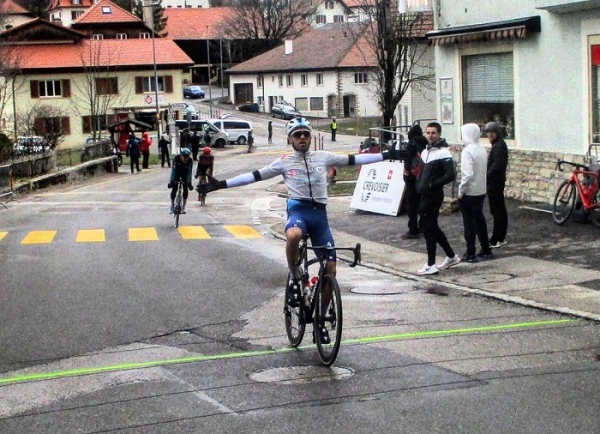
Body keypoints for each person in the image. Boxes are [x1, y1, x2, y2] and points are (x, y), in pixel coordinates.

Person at [197, 117, 397, 320]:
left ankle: (321, 314)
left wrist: (388, 154)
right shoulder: (283, 162)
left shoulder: (323, 157)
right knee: (293, 236)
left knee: (330, 269)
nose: (302, 137)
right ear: (290, 139)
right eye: (297, 134)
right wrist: (221, 184)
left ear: (310, 138)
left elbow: (354, 159)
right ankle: (295, 276)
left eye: (306, 134)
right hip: (298, 210)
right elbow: (255, 176)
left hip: (319, 215)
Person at [416, 122, 460, 275]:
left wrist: (432, 185)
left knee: (429, 228)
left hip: (434, 195)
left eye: (433, 133)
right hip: (424, 194)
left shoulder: (444, 152)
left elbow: (450, 175)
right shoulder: (425, 152)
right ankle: (451, 256)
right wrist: (419, 186)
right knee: (432, 227)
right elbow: (421, 173)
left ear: (439, 134)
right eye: (428, 132)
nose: (430, 135)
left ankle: (431, 264)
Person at [458, 123, 493, 263]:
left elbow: (467, 174)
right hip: (480, 190)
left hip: (470, 191)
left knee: (469, 223)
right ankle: (486, 248)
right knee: (479, 219)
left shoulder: (467, 151)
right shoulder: (482, 149)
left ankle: (470, 252)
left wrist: (461, 191)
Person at [400, 124, 428, 240]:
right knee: (422, 204)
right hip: (422, 177)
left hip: (412, 178)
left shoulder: (411, 144)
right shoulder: (426, 143)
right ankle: (423, 227)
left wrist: (406, 172)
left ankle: (413, 230)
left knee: (412, 204)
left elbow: (407, 160)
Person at [484, 121, 509, 248]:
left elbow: (497, 165)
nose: (490, 135)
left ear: (497, 132)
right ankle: (501, 236)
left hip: (495, 182)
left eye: (492, 132)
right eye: (488, 132)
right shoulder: (499, 144)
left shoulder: (498, 146)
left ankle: (496, 238)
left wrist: (486, 175)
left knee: (497, 210)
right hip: (497, 181)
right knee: (499, 209)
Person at [168, 148, 194, 214]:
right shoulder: (176, 159)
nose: (186, 159)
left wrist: (189, 183)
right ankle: (172, 205)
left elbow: (189, 172)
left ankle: (184, 207)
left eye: (187, 157)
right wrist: (172, 181)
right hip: (177, 173)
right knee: (174, 189)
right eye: (184, 157)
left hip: (185, 174)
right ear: (181, 156)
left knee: (185, 189)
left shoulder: (190, 161)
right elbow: (173, 171)